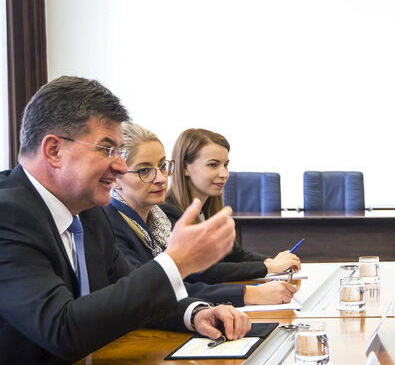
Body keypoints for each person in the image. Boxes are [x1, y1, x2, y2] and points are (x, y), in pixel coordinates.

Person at [0, 76, 250, 364]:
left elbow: (127, 295)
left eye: (119, 152)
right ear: (54, 150)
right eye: (107, 149)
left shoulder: (90, 213)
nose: (119, 167)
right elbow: (62, 330)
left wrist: (194, 313)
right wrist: (176, 262)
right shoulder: (8, 215)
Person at [105, 122, 297, 306]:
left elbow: (230, 255)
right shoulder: (110, 225)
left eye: (163, 167)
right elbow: (156, 292)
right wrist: (252, 289)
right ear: (116, 177)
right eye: (145, 170)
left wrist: (269, 264)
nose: (161, 178)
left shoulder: (157, 220)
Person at [164, 128, 301, 283]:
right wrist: (268, 267)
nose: (224, 174)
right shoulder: (168, 213)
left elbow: (235, 254)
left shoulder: (208, 209)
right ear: (185, 168)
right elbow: (202, 272)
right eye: (213, 165)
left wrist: (271, 261)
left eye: (226, 164)